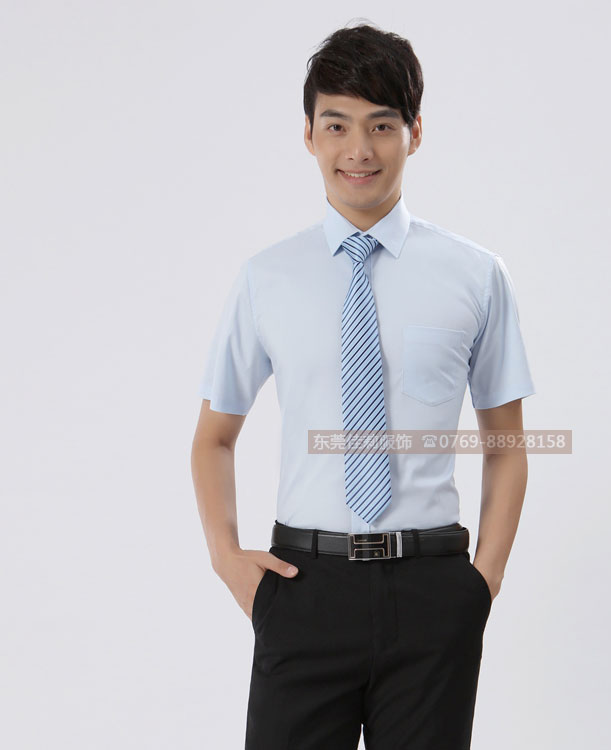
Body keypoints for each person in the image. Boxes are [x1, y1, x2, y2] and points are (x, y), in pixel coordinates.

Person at [191, 21, 536, 750]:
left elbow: (506, 442)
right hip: (303, 588)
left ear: (415, 132)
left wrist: (483, 582)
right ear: (309, 135)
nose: (359, 149)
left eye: (381, 125)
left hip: (432, 591)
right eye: (337, 125)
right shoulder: (266, 279)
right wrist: (227, 558)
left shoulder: (476, 276)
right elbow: (214, 436)